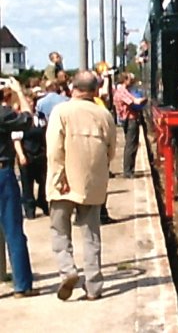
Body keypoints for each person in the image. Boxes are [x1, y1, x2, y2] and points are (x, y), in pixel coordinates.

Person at [46, 70, 117, 301]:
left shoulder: (61, 111)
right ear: (96, 91)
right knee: (91, 235)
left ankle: (68, 270)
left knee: (59, 230)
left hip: (63, 183)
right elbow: (111, 150)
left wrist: (59, 177)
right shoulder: (104, 114)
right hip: (92, 184)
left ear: (72, 88)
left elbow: (54, 148)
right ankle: (94, 285)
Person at [0, 76, 38, 298]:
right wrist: (20, 92)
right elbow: (28, 119)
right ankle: (22, 285)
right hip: (2, 172)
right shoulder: (3, 114)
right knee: (13, 229)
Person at [113, 72, 146, 179]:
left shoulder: (123, 91)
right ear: (125, 80)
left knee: (131, 144)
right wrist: (144, 99)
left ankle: (129, 169)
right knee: (131, 145)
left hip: (128, 119)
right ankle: (128, 171)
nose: (131, 82)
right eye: (130, 80)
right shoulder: (122, 92)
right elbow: (135, 102)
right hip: (130, 120)